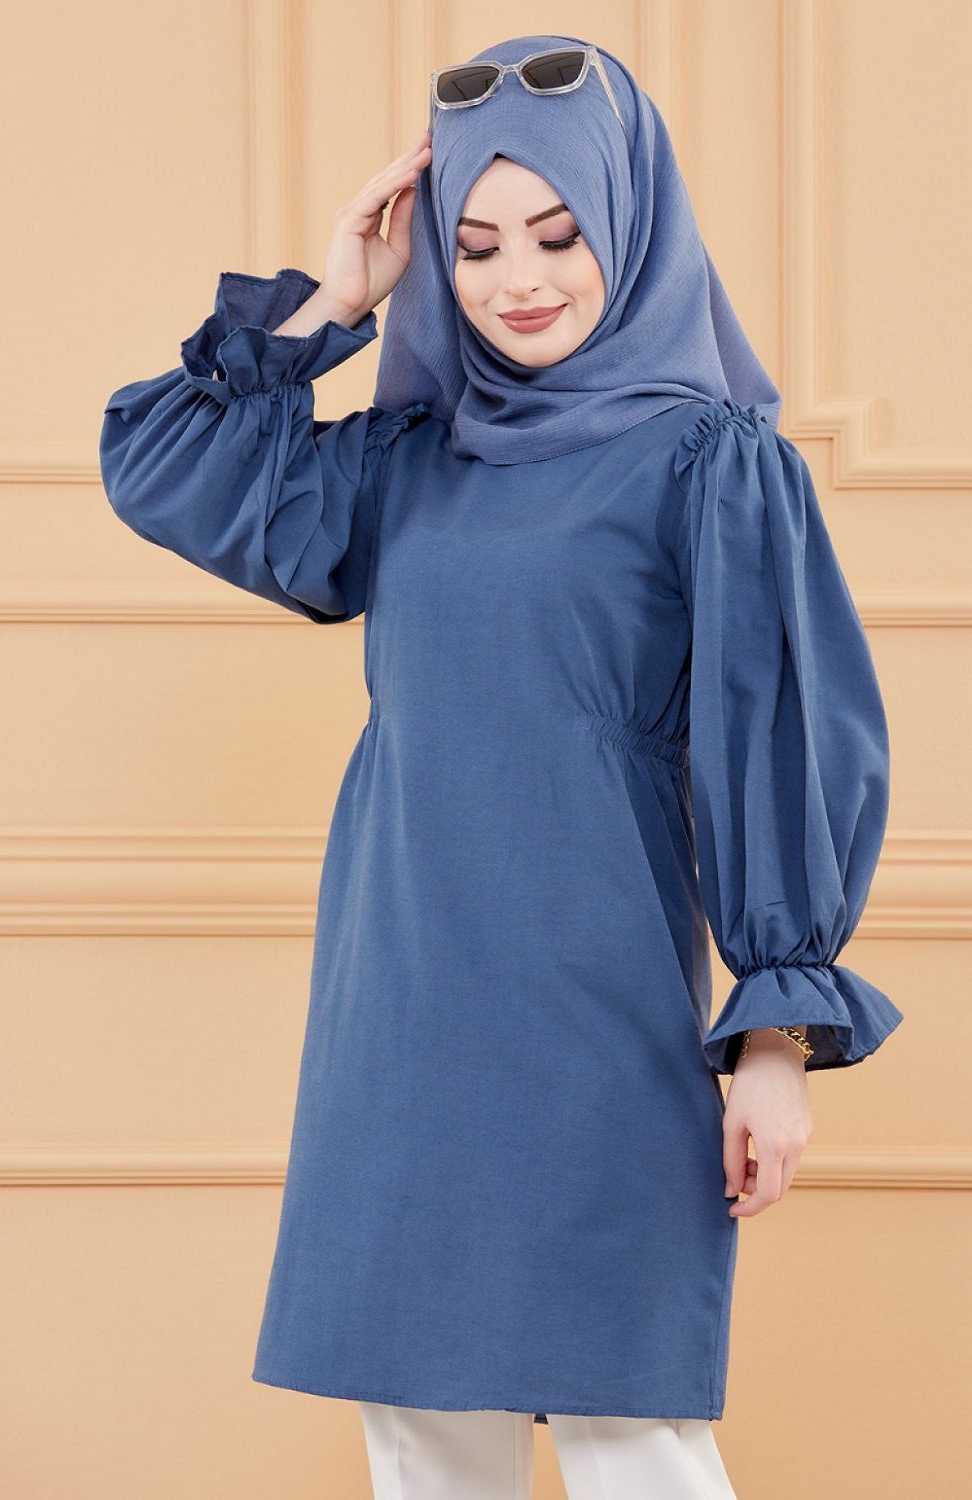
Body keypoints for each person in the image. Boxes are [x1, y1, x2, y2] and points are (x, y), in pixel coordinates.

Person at [99, 33, 905, 1500]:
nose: (517, 280)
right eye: (473, 246)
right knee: (422, 1436)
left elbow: (781, 736)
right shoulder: (408, 459)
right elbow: (165, 472)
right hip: (401, 1010)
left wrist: (777, 1041)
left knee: (629, 1433)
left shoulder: (709, 462)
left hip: (600, 1012)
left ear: (631, 223)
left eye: (558, 234)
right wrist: (337, 301)